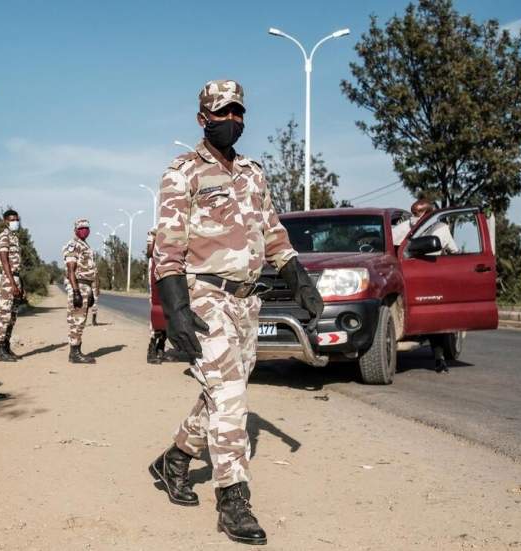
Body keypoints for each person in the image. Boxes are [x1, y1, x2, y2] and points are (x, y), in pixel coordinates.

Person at [148, 80, 323, 545]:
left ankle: (176, 460)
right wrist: (176, 311)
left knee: (223, 393)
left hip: (248, 300)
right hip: (204, 297)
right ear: (203, 118)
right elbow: (166, 250)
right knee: (228, 396)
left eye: (239, 112)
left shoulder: (253, 172)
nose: (234, 121)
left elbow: (273, 233)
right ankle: (233, 499)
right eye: (224, 112)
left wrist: (297, 278)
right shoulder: (181, 173)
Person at [63, 219, 99, 364]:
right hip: (79, 285)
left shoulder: (85, 245)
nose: (85, 230)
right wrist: (76, 292)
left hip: (86, 286)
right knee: (76, 321)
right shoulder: (74, 245)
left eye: (87, 228)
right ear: (76, 229)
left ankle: (76, 351)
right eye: (81, 228)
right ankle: (74, 353)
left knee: (81, 321)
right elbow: (71, 269)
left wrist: (91, 292)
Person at [0, 209, 23, 362]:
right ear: (5, 221)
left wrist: (19, 283)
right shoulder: (4, 237)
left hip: (15, 278)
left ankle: (6, 347)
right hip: (7, 280)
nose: (15, 222)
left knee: (12, 316)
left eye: (17, 219)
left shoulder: (14, 238)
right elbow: (4, 259)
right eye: (12, 220)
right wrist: (12, 283)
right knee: (4, 315)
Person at [146, 228, 167, 364]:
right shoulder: (154, 231)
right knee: (157, 310)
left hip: (172, 271)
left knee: (169, 312)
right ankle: (152, 349)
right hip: (157, 271)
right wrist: (154, 241)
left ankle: (161, 348)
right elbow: (149, 253)